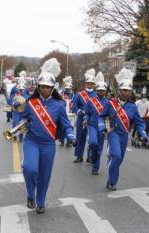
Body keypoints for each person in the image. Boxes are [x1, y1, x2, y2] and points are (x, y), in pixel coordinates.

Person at [21, 58, 76, 214]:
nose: (45, 89)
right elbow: (22, 117)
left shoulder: (59, 105)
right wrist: (17, 107)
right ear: (38, 87)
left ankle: (40, 201)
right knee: (29, 168)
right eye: (42, 87)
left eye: (48, 87)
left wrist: (71, 135)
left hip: (48, 144)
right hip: (31, 140)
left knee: (44, 175)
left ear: (52, 89)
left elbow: (65, 124)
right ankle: (30, 194)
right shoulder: (31, 103)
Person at [98, 68, 147, 191]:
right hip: (113, 132)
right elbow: (101, 116)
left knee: (119, 159)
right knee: (116, 155)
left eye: (128, 91)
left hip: (124, 135)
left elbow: (139, 122)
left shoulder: (133, 107)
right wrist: (101, 125)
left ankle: (111, 177)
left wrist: (143, 132)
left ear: (131, 92)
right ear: (119, 90)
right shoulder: (111, 103)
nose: (126, 93)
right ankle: (113, 182)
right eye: (123, 90)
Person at [82, 71, 108, 175]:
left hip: (101, 128)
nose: (101, 92)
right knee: (93, 143)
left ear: (105, 91)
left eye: (103, 90)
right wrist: (85, 118)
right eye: (99, 90)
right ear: (96, 90)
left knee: (99, 149)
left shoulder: (108, 103)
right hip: (92, 125)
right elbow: (86, 112)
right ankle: (92, 156)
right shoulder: (91, 100)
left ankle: (95, 168)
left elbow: (109, 116)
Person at [72, 68, 96, 163]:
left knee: (91, 138)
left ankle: (89, 156)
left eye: (91, 83)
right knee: (80, 137)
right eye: (88, 83)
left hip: (92, 119)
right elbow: (74, 105)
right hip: (81, 119)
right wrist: (79, 112)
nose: (89, 85)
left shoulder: (96, 94)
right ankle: (79, 156)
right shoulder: (79, 94)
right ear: (85, 83)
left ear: (93, 84)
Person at [8, 72, 30, 141]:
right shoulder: (15, 92)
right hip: (16, 111)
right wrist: (14, 103)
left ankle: (20, 137)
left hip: (23, 111)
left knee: (21, 124)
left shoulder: (26, 95)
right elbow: (9, 100)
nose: (21, 90)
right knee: (15, 123)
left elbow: (30, 101)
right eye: (20, 89)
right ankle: (14, 135)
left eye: (22, 89)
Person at [59, 76, 75, 147]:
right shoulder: (61, 93)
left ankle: (69, 141)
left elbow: (74, 103)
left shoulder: (73, 94)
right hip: (63, 112)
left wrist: (72, 106)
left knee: (70, 126)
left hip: (70, 113)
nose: (68, 90)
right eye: (67, 89)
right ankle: (62, 140)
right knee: (62, 126)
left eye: (69, 89)